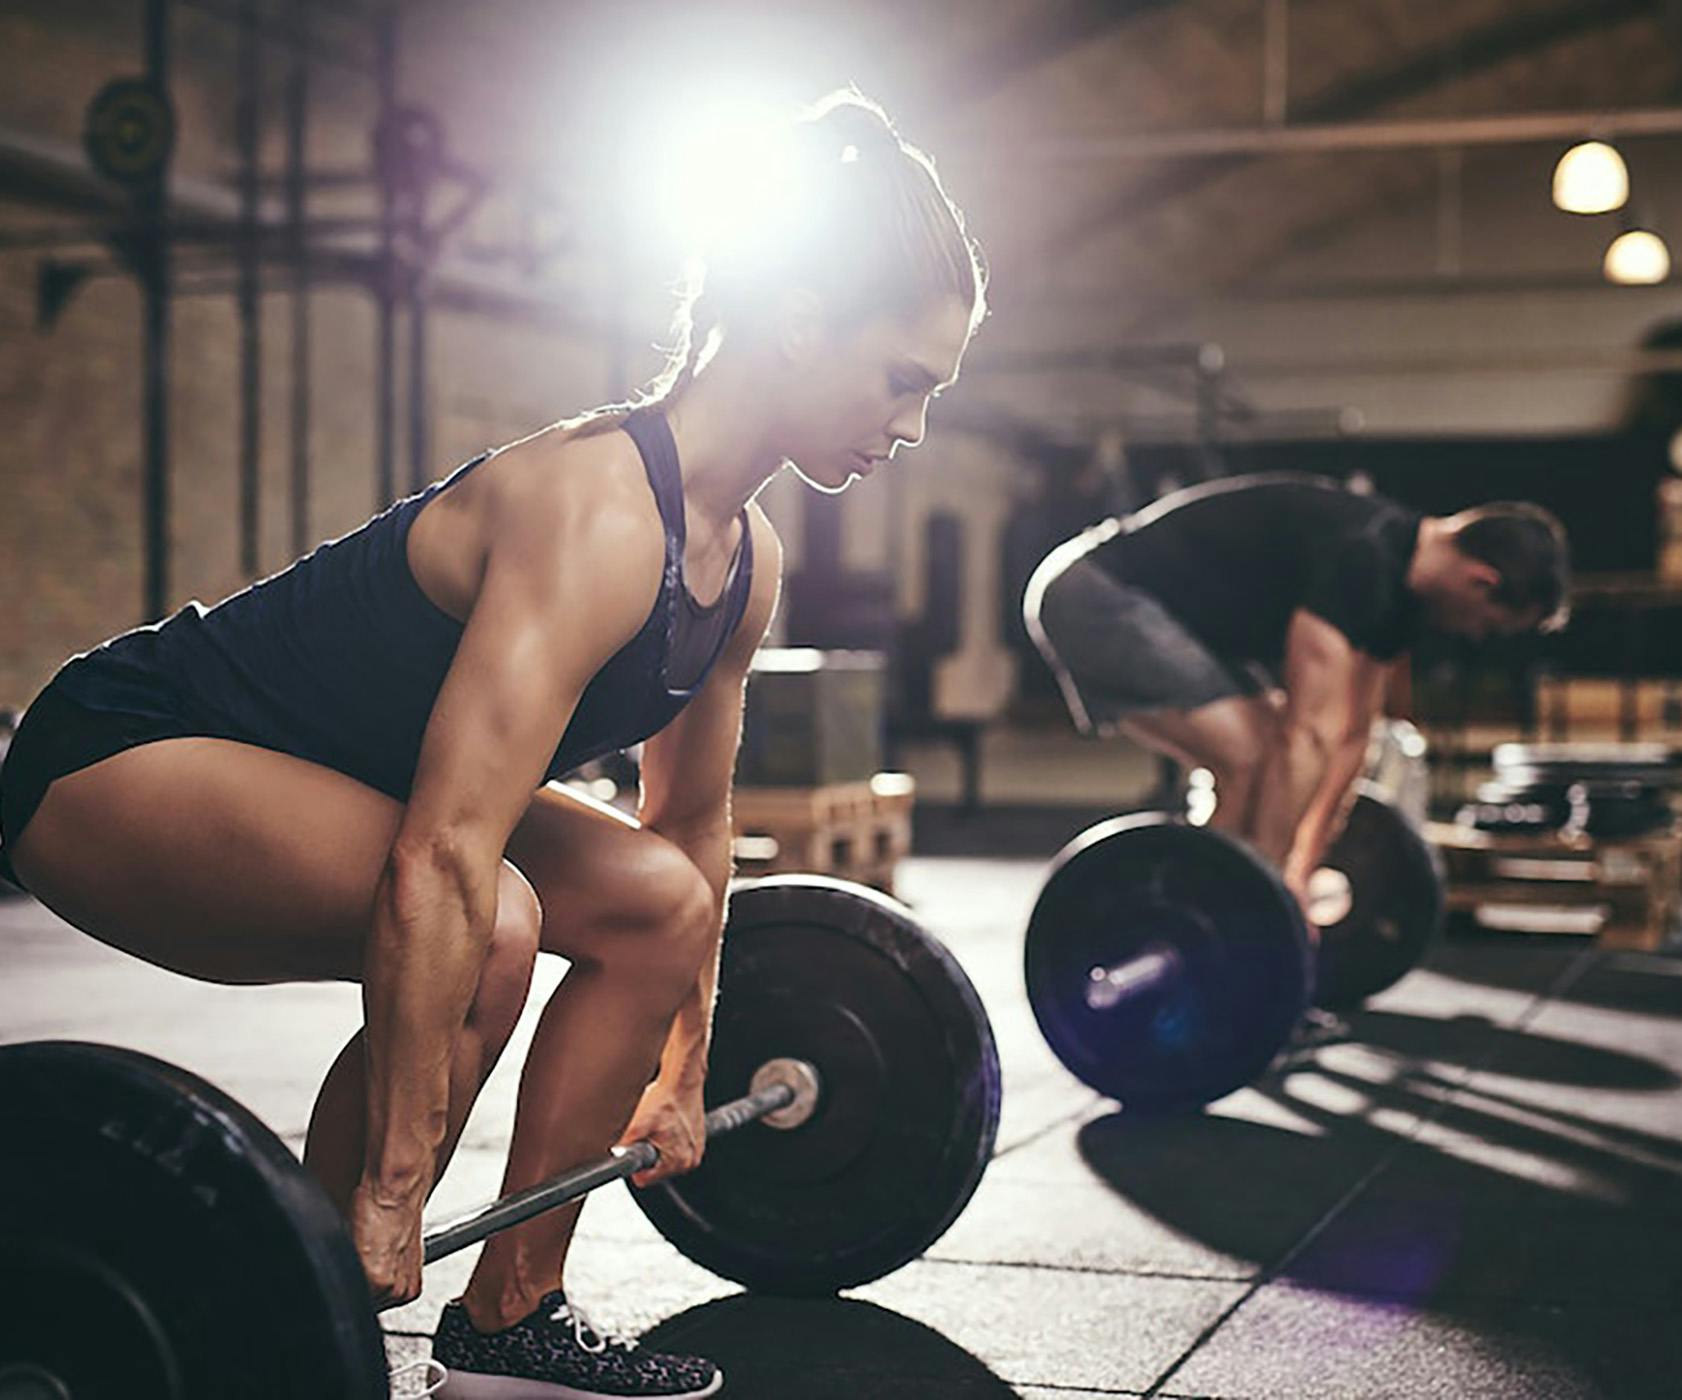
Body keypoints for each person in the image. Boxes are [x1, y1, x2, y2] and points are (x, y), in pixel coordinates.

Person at [0, 91, 984, 1400]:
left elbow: (688, 831)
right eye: (902, 380)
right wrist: (394, 1192)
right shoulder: (595, 514)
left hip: (355, 790)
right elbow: (445, 854)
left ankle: (509, 1318)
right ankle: (288, 1295)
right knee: (495, 922)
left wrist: (688, 1066)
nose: (911, 425)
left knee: (654, 901)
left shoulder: (743, 567)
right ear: (803, 321)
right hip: (117, 760)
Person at [1024, 475, 1567, 917]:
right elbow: (1307, 736)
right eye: (1492, 627)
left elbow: (1352, 739)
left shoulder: (1400, 600)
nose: (1477, 637)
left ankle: (1202, 917)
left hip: (1176, 623)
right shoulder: (1362, 556)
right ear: (1482, 582)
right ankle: (1192, 922)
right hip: (1094, 590)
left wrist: (1301, 868)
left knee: (1261, 761)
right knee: (1254, 757)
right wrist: (1271, 891)